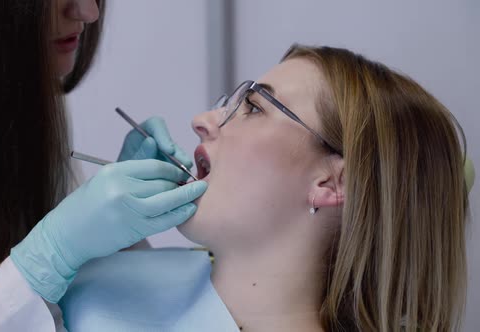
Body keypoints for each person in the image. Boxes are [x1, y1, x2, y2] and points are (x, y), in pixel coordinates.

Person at [60, 44, 471, 332]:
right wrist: (113, 244)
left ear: (332, 181)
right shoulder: (124, 280)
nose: (203, 119)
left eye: (254, 108)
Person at [0, 0, 207, 331]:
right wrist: (47, 258)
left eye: (253, 106)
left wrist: (116, 240)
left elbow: (80, 305)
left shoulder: (20, 90)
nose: (89, 12)